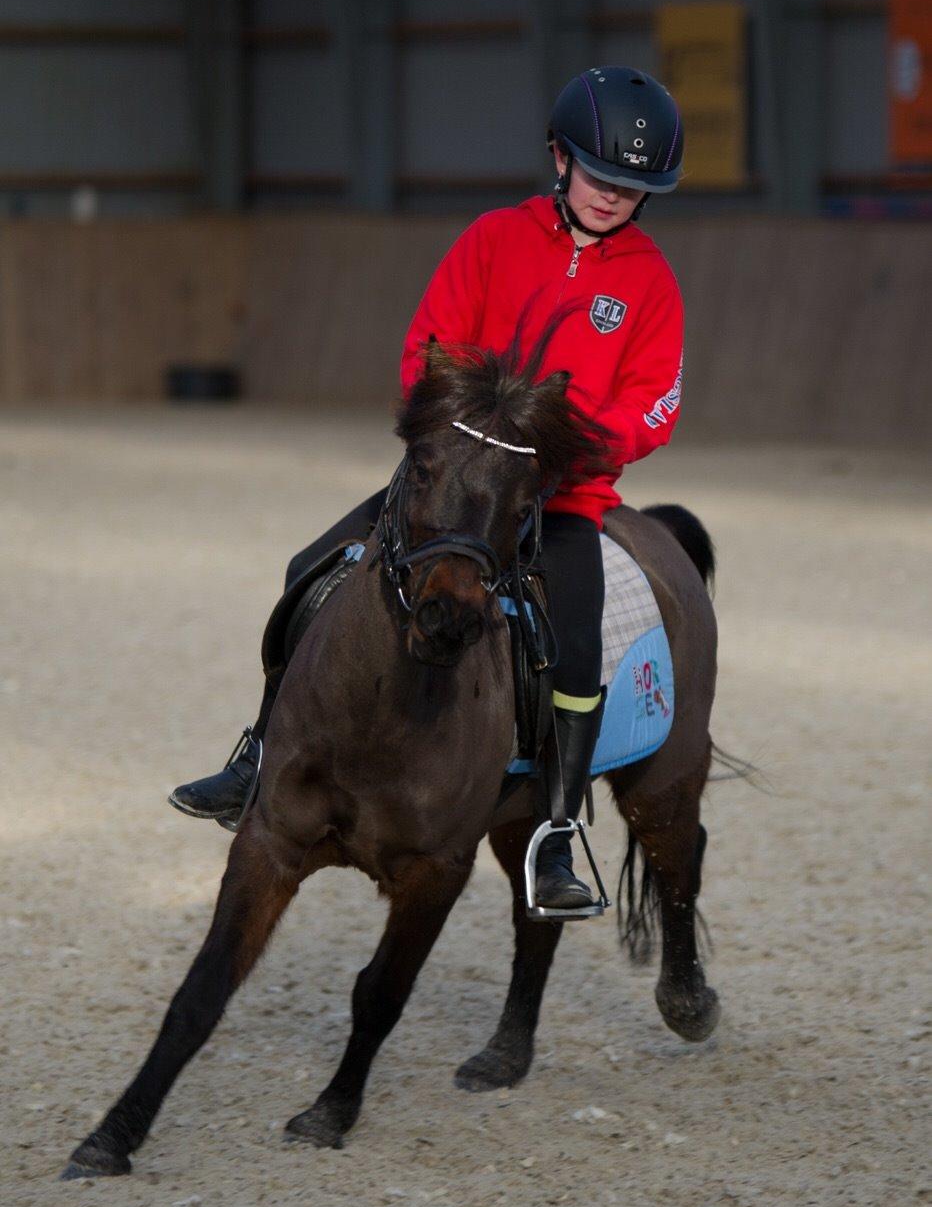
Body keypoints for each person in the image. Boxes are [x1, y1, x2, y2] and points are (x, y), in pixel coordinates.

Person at [169, 65, 685, 910]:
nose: (612, 196)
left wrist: (580, 443)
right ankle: (259, 754)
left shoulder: (650, 280)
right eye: (599, 176)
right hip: (454, 486)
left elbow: (656, 402)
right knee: (308, 570)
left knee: (578, 648)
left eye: (632, 188)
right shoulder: (493, 239)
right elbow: (428, 350)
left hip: (560, 501)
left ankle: (555, 834)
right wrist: (460, 433)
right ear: (560, 159)